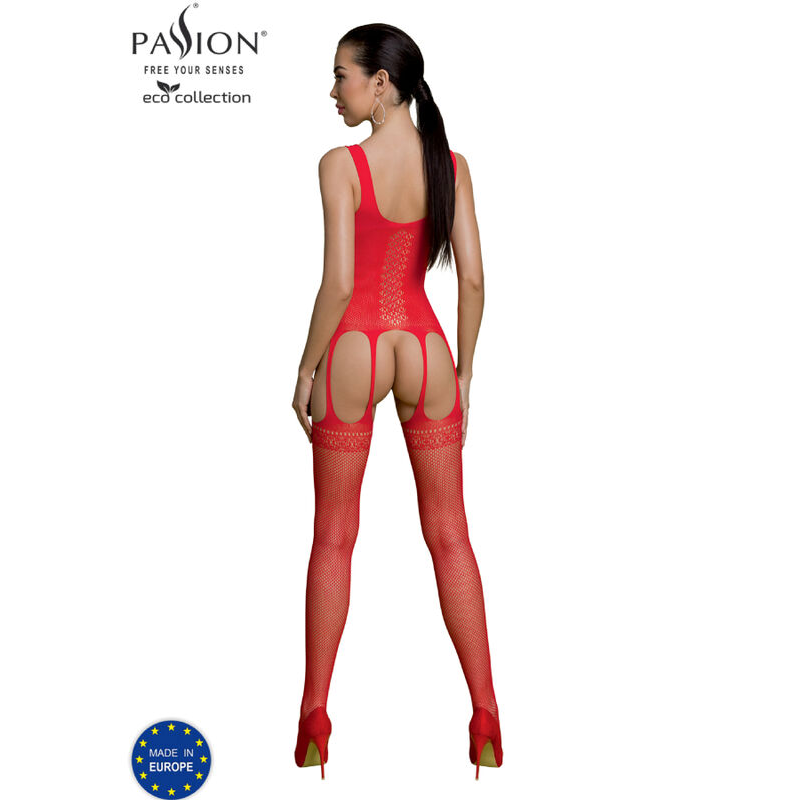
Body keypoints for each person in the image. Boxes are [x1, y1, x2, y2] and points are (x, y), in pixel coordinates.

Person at [291, 23, 502, 780]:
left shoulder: (341, 165)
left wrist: (306, 368)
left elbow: (340, 283)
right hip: (427, 347)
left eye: (341, 75)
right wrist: (465, 376)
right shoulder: (452, 165)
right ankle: (486, 714)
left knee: (333, 538)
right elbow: (472, 280)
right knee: (451, 536)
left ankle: (315, 717)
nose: (333, 91)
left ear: (381, 83)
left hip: (354, 346)